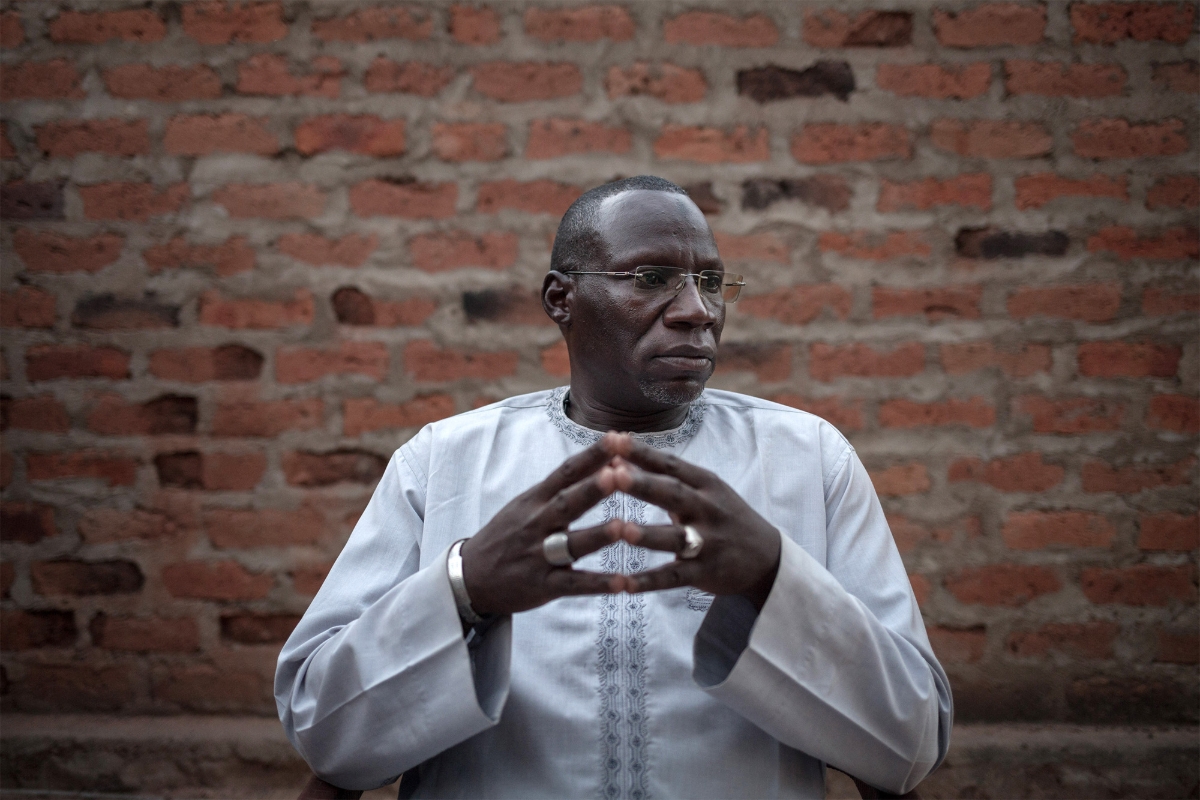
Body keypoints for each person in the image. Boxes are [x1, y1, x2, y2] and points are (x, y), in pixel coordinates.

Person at [276, 175, 953, 799]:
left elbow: (911, 744)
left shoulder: (808, 459)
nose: (697, 311)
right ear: (560, 299)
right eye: (652, 277)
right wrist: (463, 589)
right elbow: (326, 734)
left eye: (712, 282)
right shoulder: (445, 462)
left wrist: (773, 578)